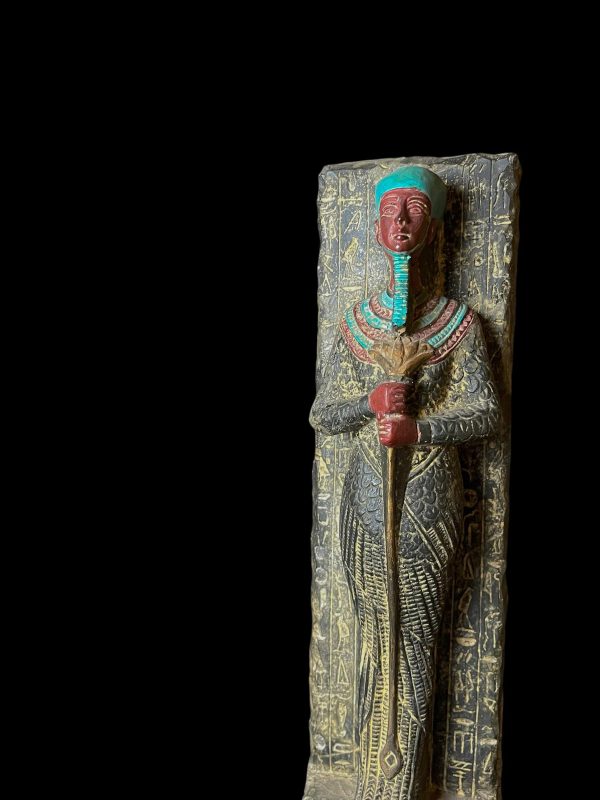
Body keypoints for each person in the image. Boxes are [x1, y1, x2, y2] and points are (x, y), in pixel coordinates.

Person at [310, 166, 499, 800]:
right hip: (365, 493)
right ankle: (368, 773)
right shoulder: (356, 323)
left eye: (414, 209)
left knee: (415, 634)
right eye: (390, 209)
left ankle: (406, 778)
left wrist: (421, 429)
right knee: (371, 629)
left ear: (433, 227)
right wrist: (370, 402)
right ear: (372, 225)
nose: (399, 221)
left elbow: (488, 413)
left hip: (427, 494)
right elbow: (322, 414)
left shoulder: (459, 323)